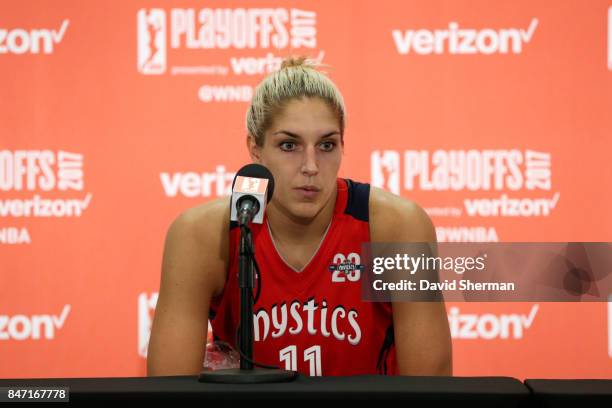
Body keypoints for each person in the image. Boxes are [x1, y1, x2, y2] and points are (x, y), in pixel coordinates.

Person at [147, 57, 452, 376]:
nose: (311, 166)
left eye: (326, 145)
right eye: (289, 145)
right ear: (255, 149)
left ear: (342, 146)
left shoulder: (397, 226)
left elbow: (431, 388)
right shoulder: (203, 233)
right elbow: (169, 390)